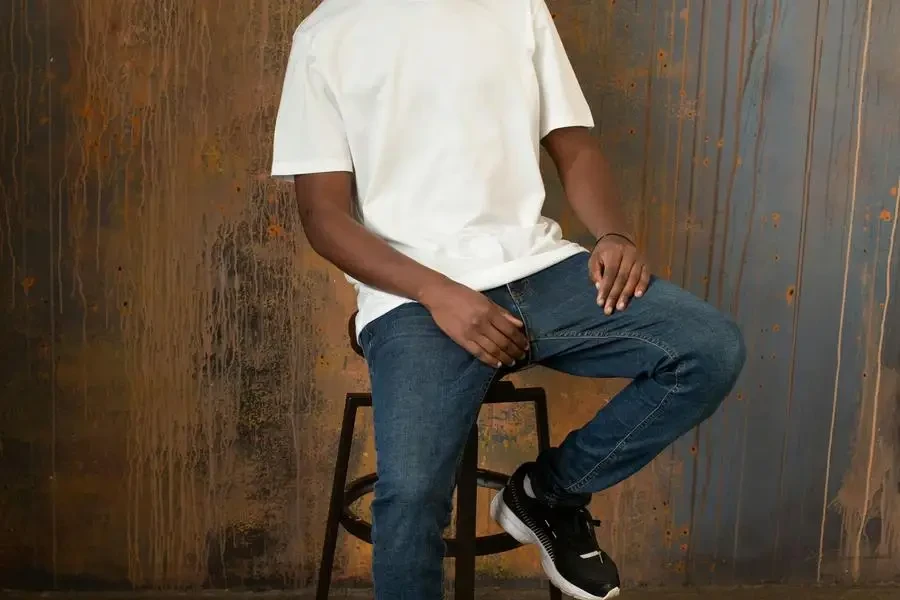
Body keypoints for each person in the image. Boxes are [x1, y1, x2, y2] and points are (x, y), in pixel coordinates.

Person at [271, 0, 746, 598]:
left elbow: (574, 146)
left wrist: (614, 234)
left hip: (541, 268)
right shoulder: (325, 34)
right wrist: (437, 292)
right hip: (415, 297)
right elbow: (323, 217)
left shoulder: (516, 7)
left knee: (708, 347)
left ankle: (547, 494)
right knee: (411, 496)